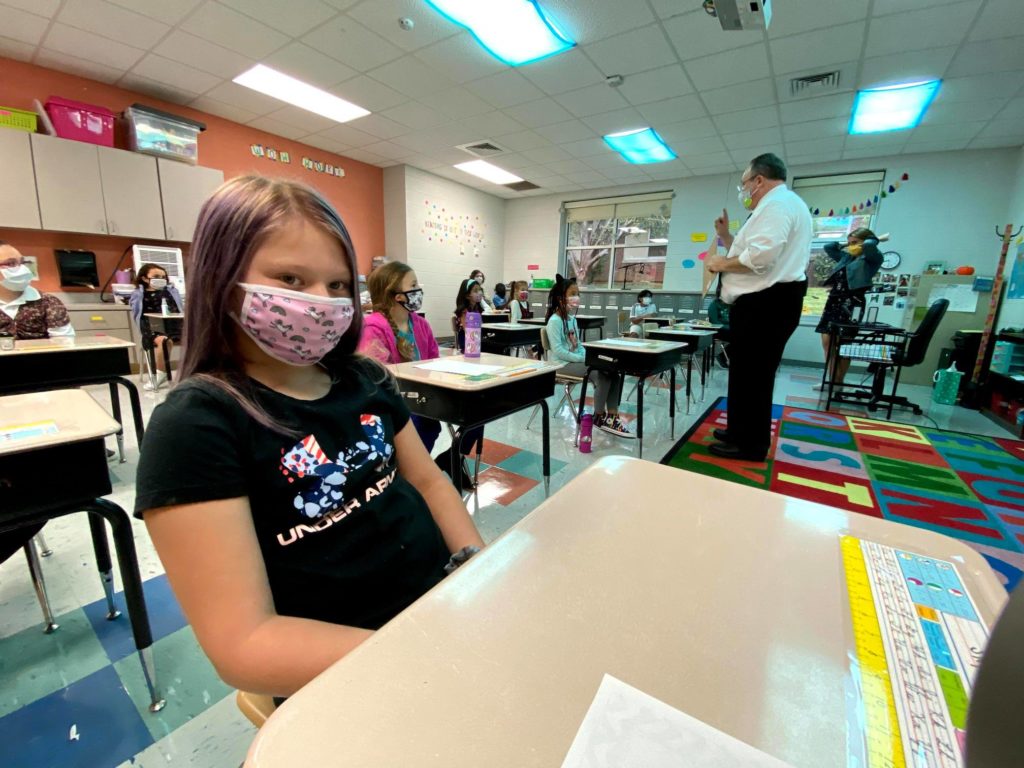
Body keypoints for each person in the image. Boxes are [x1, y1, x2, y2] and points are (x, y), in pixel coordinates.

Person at [134, 176, 483, 699]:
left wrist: (477, 568)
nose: (322, 302)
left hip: (440, 617)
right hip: (350, 672)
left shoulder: (366, 380)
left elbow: (429, 483)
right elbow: (245, 644)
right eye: (291, 280)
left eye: (338, 285)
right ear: (223, 281)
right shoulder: (198, 425)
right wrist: (418, 652)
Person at [706, 153, 812, 462]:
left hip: (767, 305)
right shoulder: (781, 205)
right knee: (745, 372)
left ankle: (750, 445)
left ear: (759, 180)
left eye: (744, 183)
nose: (743, 190)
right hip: (764, 304)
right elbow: (754, 249)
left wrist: (719, 263)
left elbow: (761, 259)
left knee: (754, 375)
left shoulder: (777, 205)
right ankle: (739, 431)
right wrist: (726, 237)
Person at [359, 262, 477, 489]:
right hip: (395, 405)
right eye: (413, 285)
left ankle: (449, 458)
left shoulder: (420, 324)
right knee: (422, 424)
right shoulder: (373, 327)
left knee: (477, 411)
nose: (418, 290)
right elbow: (373, 383)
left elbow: (435, 362)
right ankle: (405, 477)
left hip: (424, 396)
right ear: (394, 294)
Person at [545, 275, 632, 438]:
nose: (576, 297)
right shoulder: (554, 321)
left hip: (575, 361)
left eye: (577, 293)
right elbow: (558, 351)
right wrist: (583, 360)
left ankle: (612, 417)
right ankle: (599, 416)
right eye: (572, 293)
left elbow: (578, 345)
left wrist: (588, 357)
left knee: (613, 372)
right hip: (561, 365)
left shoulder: (572, 320)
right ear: (560, 298)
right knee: (601, 374)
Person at [813, 228, 886, 389]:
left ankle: (837, 382)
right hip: (834, 300)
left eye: (855, 243)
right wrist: (847, 244)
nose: (852, 246)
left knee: (843, 343)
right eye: (850, 243)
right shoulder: (846, 257)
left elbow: (869, 246)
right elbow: (829, 247)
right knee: (827, 342)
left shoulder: (872, 258)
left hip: (852, 302)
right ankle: (832, 380)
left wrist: (871, 241)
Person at [0, 242, 74, 340]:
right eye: (11, 263)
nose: (22, 268)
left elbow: (65, 344)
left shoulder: (48, 302)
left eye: (22, 262)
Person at [129, 263, 183, 391]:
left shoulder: (171, 292)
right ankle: (160, 374)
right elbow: (138, 314)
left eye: (163, 276)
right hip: (151, 328)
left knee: (199, 337)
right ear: (144, 278)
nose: (161, 279)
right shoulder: (138, 294)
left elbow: (179, 309)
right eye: (156, 276)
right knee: (164, 340)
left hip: (173, 325)